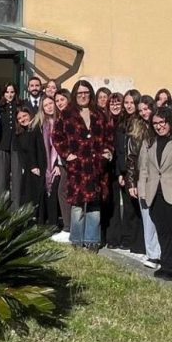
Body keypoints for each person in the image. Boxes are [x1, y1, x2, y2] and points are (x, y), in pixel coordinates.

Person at [52, 80, 113, 251]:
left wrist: (107, 153)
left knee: (94, 205)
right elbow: (56, 136)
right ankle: (77, 240)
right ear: (74, 95)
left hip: (96, 167)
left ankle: (92, 240)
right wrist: (66, 155)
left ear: (90, 94)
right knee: (77, 205)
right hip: (77, 167)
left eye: (86, 92)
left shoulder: (100, 114)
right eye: (79, 93)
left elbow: (109, 136)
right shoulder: (66, 114)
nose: (83, 96)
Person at [138, 107, 172, 280]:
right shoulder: (149, 142)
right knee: (162, 230)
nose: (159, 126)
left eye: (162, 122)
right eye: (155, 123)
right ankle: (166, 264)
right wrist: (142, 191)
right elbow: (144, 168)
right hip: (155, 193)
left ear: (170, 122)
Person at [126, 90, 161, 268]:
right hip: (143, 179)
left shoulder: (161, 126)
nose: (144, 113)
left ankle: (162, 253)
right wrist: (131, 182)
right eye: (141, 110)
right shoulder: (136, 129)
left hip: (161, 179)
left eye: (146, 109)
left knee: (161, 216)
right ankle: (152, 254)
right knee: (147, 216)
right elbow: (131, 157)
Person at [107, 92, 144, 254]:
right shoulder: (122, 122)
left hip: (136, 171)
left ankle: (133, 240)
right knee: (124, 207)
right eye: (126, 103)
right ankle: (124, 238)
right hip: (123, 170)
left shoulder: (140, 123)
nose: (129, 106)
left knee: (133, 209)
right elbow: (120, 150)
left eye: (131, 103)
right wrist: (120, 172)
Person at [33, 95, 61, 226]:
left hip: (57, 164)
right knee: (43, 192)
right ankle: (42, 224)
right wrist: (34, 165)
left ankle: (54, 224)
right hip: (43, 164)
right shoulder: (38, 125)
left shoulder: (61, 122)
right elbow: (33, 147)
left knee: (55, 193)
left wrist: (59, 164)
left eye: (51, 103)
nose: (49, 107)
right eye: (46, 105)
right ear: (42, 109)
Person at [51, 89, 72, 242]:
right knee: (63, 192)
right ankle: (68, 227)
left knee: (63, 192)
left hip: (71, 162)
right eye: (57, 101)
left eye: (62, 100)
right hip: (63, 162)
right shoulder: (61, 117)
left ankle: (69, 228)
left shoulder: (71, 117)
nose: (59, 103)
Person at [0, 83, 19, 204]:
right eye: (7, 92)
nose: (9, 95)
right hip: (2, 145)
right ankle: (1, 209)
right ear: (3, 93)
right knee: (1, 180)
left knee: (17, 179)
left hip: (16, 146)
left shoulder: (20, 106)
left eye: (12, 92)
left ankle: (16, 211)